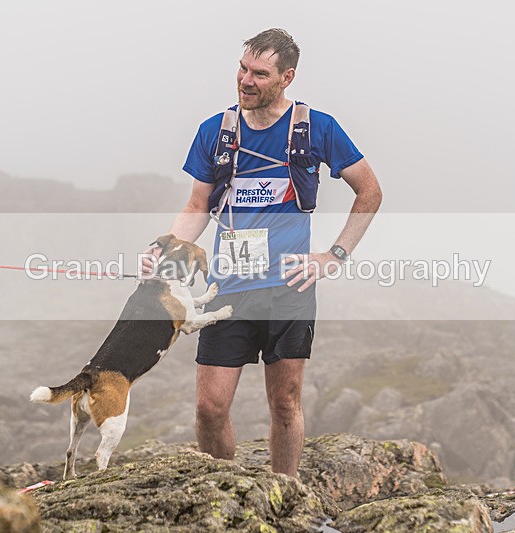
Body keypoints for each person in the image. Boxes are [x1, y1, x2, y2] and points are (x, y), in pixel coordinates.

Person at [142, 28, 382, 477]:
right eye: (242, 68)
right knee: (209, 408)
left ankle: (286, 494)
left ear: (287, 77)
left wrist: (334, 256)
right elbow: (197, 206)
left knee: (285, 404)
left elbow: (369, 192)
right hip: (229, 288)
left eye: (260, 73)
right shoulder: (216, 132)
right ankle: (231, 493)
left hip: (289, 289)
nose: (245, 80)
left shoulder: (316, 129)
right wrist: (167, 246)